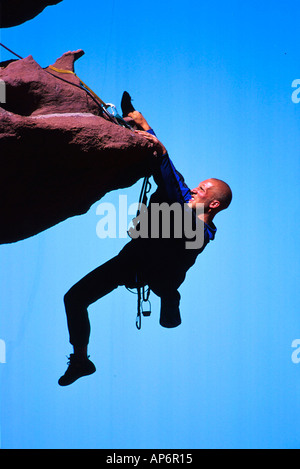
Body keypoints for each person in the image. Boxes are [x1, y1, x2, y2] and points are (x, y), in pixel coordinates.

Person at [58, 92, 232, 386]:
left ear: (213, 204)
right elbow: (166, 170)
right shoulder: (180, 200)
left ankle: (169, 295)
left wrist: (145, 126)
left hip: (164, 269)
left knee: (174, 209)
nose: (195, 191)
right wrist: (138, 126)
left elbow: (166, 163)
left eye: (202, 190)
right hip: (132, 263)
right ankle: (80, 361)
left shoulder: (201, 230)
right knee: (74, 298)